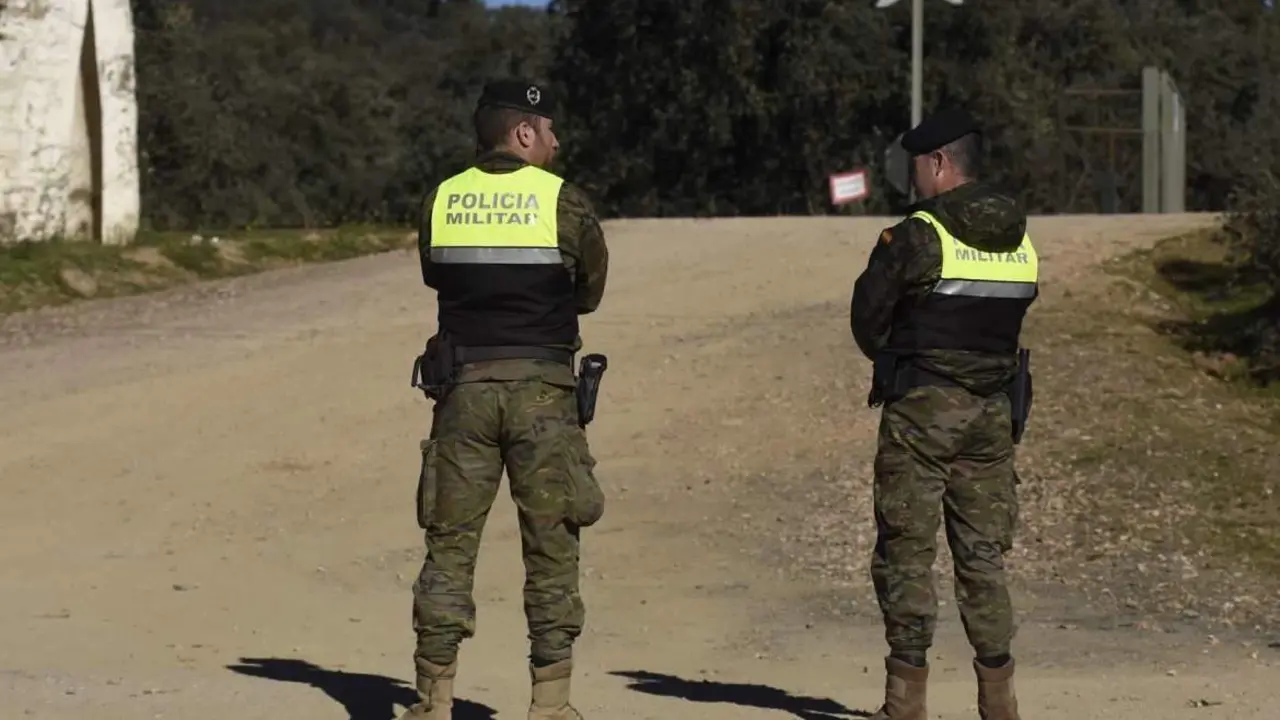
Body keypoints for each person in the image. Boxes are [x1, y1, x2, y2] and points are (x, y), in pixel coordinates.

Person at [402, 78, 609, 720]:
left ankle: (432, 702)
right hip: (544, 394)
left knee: (449, 544)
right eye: (548, 130)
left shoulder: (442, 199)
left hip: (462, 390)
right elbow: (589, 291)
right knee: (551, 546)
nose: (556, 140)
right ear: (524, 132)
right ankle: (550, 705)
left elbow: (436, 274)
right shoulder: (563, 202)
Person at [850, 107, 1038, 720]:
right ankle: (999, 703)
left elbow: (868, 320)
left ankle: (905, 705)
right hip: (992, 418)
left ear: (938, 162)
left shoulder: (918, 235)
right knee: (983, 558)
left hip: (922, 415)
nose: (915, 180)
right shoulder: (1020, 239)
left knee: (906, 551)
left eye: (918, 166)